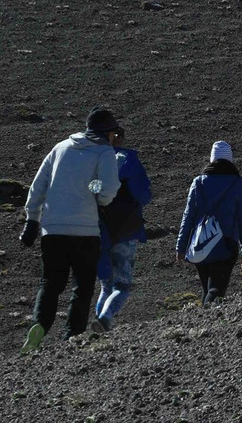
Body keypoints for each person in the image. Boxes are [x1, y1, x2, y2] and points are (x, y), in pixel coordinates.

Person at [19, 107, 122, 352]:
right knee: (83, 286)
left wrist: (32, 219)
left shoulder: (60, 147)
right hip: (85, 231)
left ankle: (39, 325)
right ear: (106, 132)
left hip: (52, 230)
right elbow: (108, 193)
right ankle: (71, 337)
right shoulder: (104, 153)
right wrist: (96, 193)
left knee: (50, 283)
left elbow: (38, 186)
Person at [175, 141, 242, 306]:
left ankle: (201, 325)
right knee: (216, 290)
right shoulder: (237, 183)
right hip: (226, 245)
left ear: (212, 159)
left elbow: (187, 217)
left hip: (201, 245)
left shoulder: (198, 182)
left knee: (207, 289)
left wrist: (181, 248)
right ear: (230, 159)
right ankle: (207, 322)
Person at [91, 127, 152, 333]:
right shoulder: (130, 161)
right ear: (121, 139)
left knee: (106, 286)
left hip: (101, 230)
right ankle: (105, 320)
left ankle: (98, 324)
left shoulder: (95, 163)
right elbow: (144, 194)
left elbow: (92, 193)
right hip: (126, 230)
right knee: (122, 286)